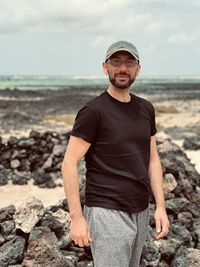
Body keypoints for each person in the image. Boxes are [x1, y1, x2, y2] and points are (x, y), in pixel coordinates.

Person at [61, 40, 169, 267]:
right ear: (105, 67)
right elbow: (69, 163)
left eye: (129, 62)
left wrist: (160, 206)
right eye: (116, 62)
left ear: (138, 68)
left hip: (140, 210)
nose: (122, 68)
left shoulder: (146, 108)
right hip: (106, 210)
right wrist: (77, 218)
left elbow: (153, 159)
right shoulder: (93, 112)